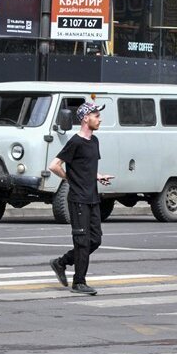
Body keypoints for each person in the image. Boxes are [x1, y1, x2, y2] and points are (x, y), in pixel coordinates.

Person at [48, 101, 114, 296]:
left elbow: (85, 167)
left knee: (95, 239)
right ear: (86, 118)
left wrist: (97, 175)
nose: (99, 119)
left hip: (93, 198)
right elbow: (54, 165)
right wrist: (70, 178)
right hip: (78, 199)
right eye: (96, 115)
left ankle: (61, 262)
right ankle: (79, 282)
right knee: (82, 241)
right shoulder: (75, 142)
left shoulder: (94, 141)